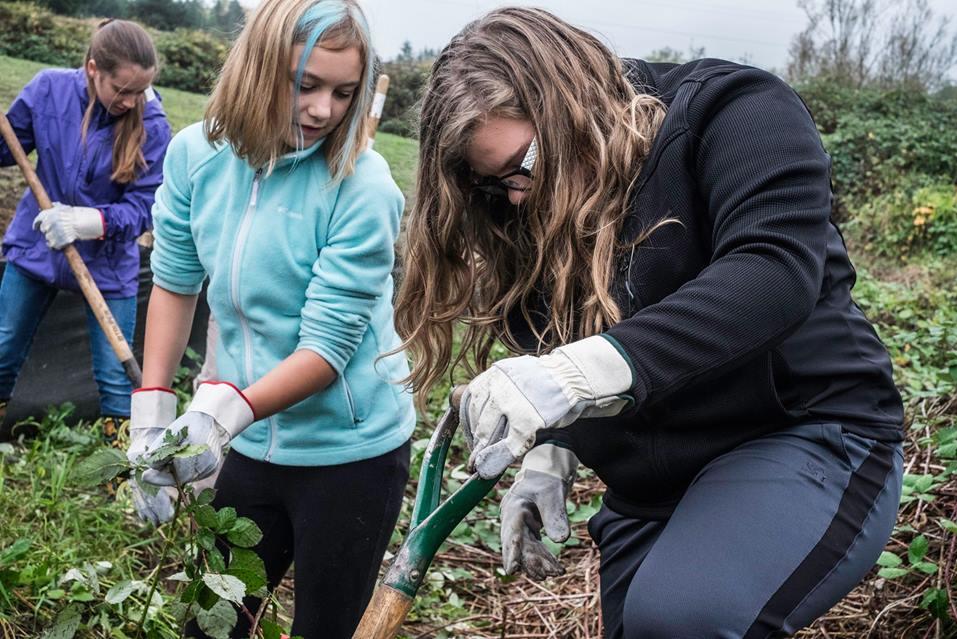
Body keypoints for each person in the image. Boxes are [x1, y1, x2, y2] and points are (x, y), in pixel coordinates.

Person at [394, 7, 905, 638]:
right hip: (654, 484)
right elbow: (558, 333)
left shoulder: (733, 112)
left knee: (683, 617)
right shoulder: (526, 208)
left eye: (522, 168)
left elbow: (772, 272)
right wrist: (552, 451)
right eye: (494, 186)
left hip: (802, 434)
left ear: (569, 100)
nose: (516, 198)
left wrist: (576, 375)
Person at [127, 0, 415, 636]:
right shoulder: (193, 157)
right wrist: (152, 416)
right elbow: (175, 283)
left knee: (325, 625)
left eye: (345, 92)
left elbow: (327, 348)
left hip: (350, 452)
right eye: (305, 84)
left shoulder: (362, 188)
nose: (323, 111)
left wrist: (218, 415)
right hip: (250, 443)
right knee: (213, 623)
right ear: (256, 69)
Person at [0, 19, 170, 435]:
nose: (131, 101)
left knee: (116, 375)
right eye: (122, 90)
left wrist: (88, 221)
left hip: (108, 261)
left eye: (140, 92)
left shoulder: (154, 125)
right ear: (93, 68)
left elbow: (146, 208)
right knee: (3, 348)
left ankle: (126, 477)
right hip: (37, 243)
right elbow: (8, 150)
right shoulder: (48, 91)